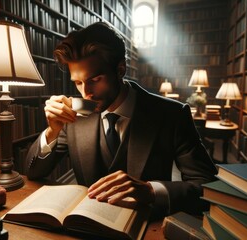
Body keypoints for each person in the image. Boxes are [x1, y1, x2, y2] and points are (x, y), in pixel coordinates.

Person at [24, 22, 217, 217]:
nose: (86, 93)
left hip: (147, 226)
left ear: (120, 69)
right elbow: (33, 173)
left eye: (95, 80)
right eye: (78, 82)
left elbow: (209, 188)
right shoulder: (73, 115)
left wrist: (151, 191)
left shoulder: (172, 114)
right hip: (85, 225)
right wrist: (52, 131)